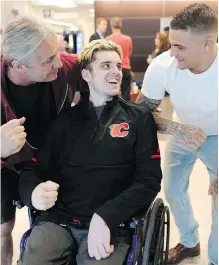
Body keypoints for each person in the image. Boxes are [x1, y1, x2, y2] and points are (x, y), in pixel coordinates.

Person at [18, 39, 162, 265]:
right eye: (106, 65)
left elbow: (149, 181)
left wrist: (105, 217)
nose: (116, 71)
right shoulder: (64, 121)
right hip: (59, 221)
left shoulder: (139, 119)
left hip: (113, 224)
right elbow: (33, 169)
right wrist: (33, 192)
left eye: (117, 65)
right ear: (86, 75)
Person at [136, 3, 218, 265]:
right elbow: (140, 115)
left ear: (207, 44)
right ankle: (190, 241)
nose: (172, 53)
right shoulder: (162, 67)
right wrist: (177, 128)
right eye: (172, 43)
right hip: (181, 134)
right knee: (172, 190)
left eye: (180, 47)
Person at [1, 16, 87, 265]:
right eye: (48, 60)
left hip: (48, 161)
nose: (59, 63)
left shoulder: (67, 67)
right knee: (3, 230)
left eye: (56, 53)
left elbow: (100, 73)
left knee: (51, 222)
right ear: (19, 65)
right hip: (6, 165)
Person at [106, 17, 132, 101]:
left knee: (112, 92)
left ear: (111, 26)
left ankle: (113, 112)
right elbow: (129, 53)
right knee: (126, 93)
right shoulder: (128, 39)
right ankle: (126, 112)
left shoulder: (107, 39)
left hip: (113, 69)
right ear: (121, 26)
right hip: (125, 68)